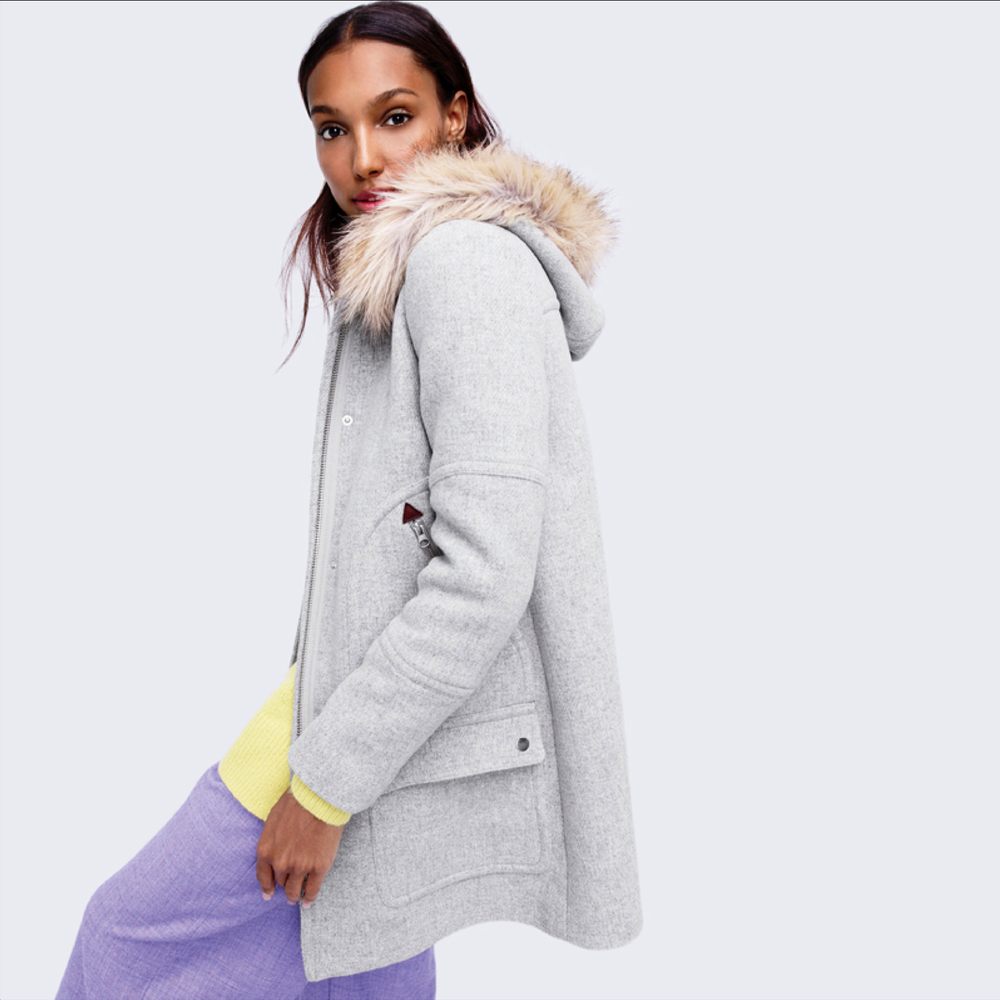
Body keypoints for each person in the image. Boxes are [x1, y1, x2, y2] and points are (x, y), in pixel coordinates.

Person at [56, 1, 642, 997]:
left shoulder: (462, 265)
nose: (362, 157)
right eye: (332, 128)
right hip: (358, 704)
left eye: (394, 117)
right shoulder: (403, 269)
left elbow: (482, 575)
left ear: (456, 116)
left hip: (364, 732)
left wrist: (324, 786)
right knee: (360, 976)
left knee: (124, 942)